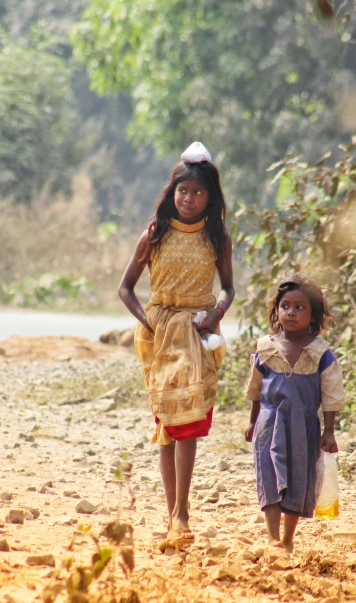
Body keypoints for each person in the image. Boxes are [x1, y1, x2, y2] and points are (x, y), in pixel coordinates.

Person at [118, 142, 234, 552]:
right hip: (159, 335)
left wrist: (216, 313)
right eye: (183, 192)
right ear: (172, 193)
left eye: (197, 193)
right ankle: (174, 515)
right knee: (168, 425)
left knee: (189, 425)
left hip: (199, 334)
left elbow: (228, 288)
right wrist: (150, 321)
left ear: (210, 198)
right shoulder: (155, 234)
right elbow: (126, 288)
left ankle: (181, 513)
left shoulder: (217, 236)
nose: (189, 199)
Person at [244, 274, 344, 553]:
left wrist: (329, 431)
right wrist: (252, 421)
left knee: (298, 478)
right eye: (285, 306)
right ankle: (272, 537)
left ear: (312, 314)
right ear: (276, 310)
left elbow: (331, 394)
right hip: (267, 422)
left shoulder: (320, 352)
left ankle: (288, 538)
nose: (291, 312)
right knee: (269, 476)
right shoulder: (265, 348)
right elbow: (255, 388)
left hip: (304, 427)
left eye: (300, 307)